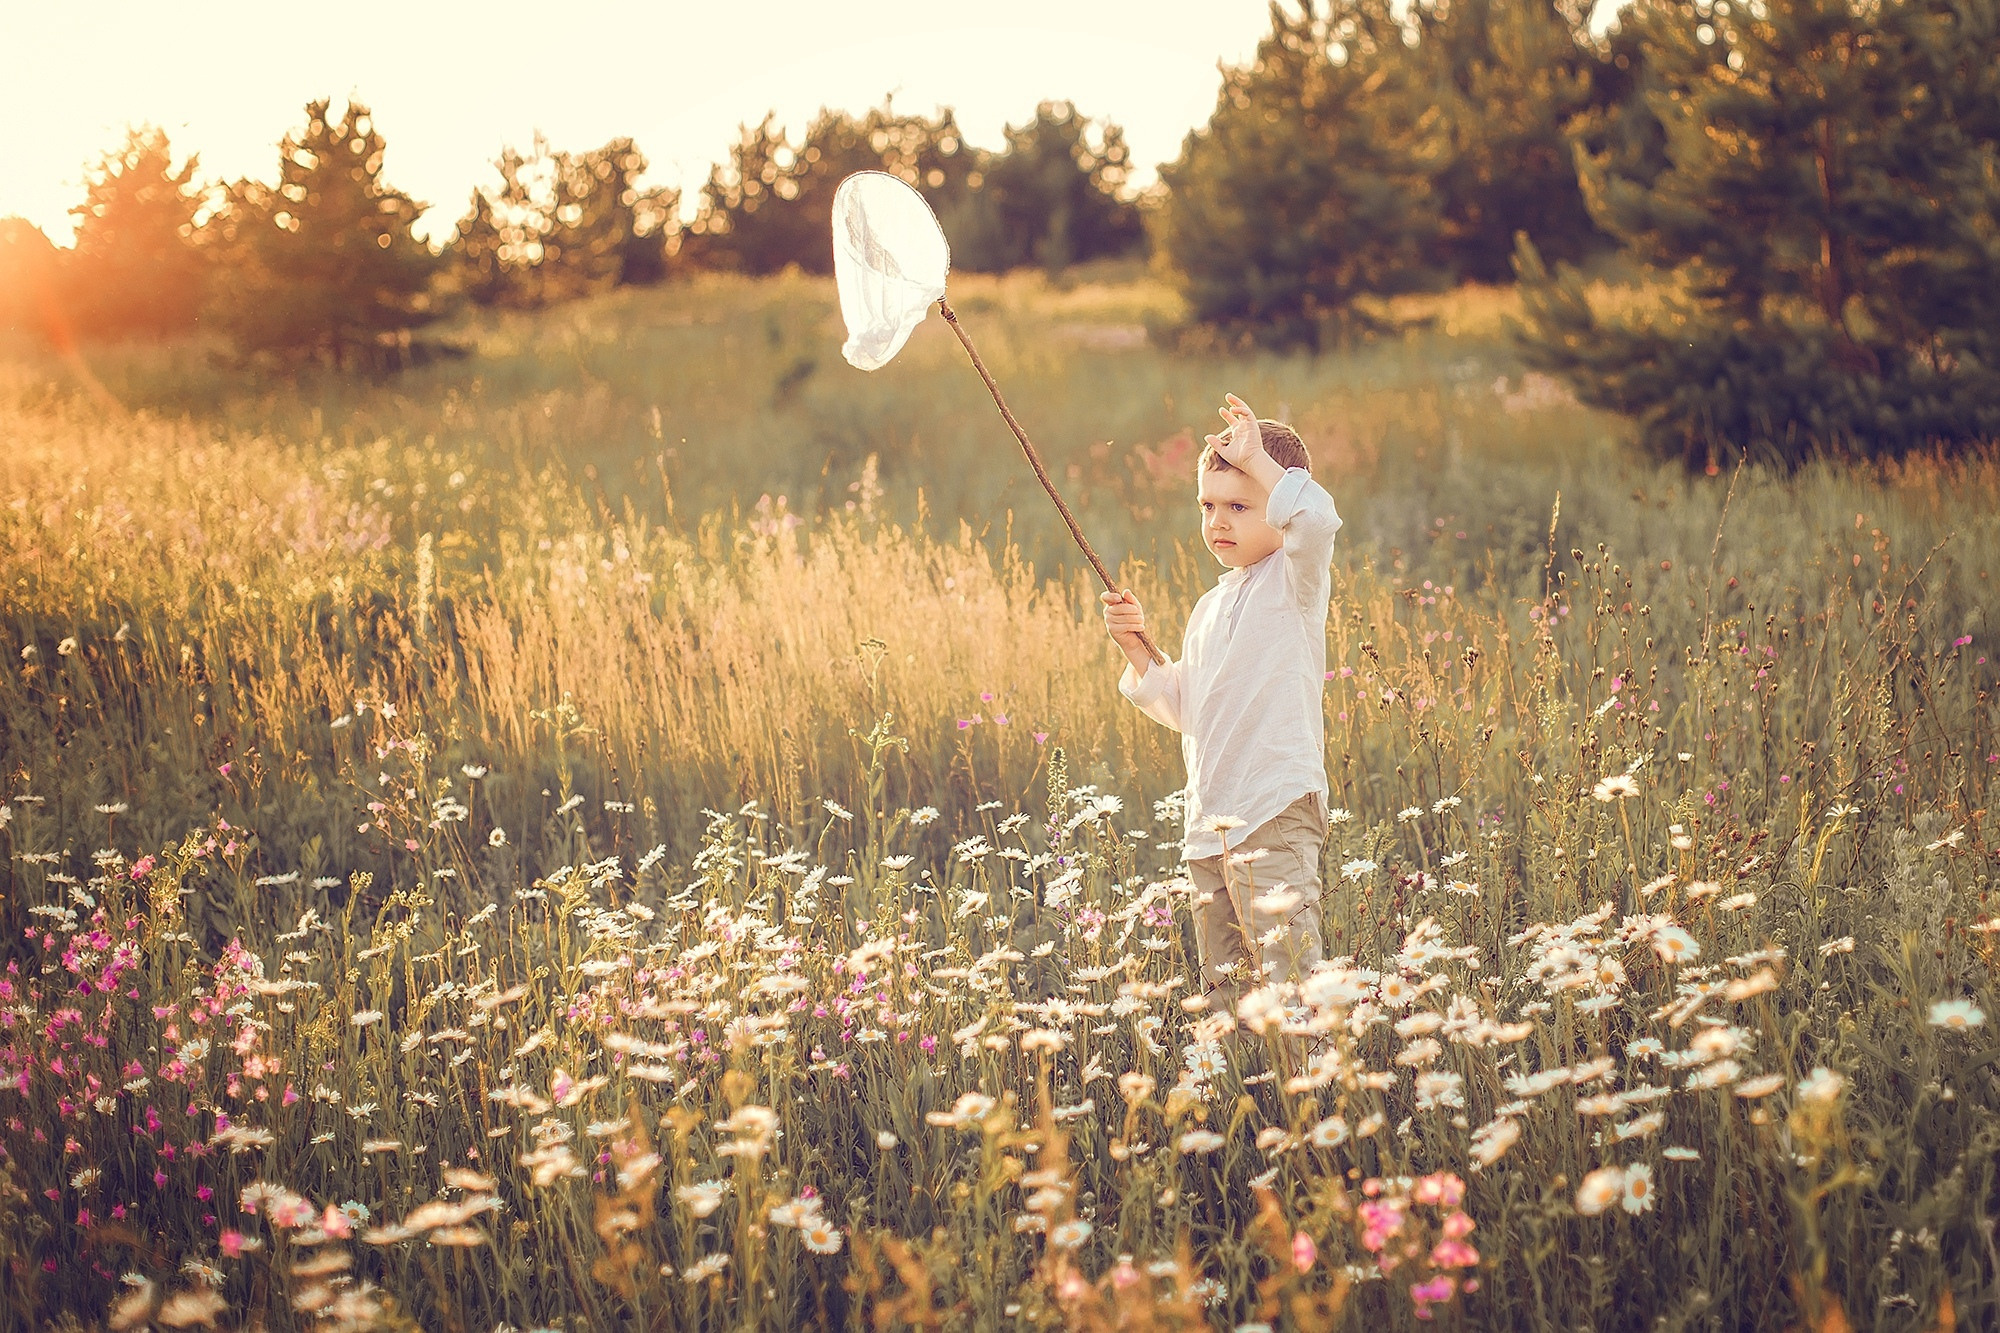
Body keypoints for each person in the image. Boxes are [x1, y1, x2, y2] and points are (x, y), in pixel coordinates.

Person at [1101, 393, 1341, 1028]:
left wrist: (1259, 458)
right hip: (1209, 828)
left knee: (1287, 986)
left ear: (1277, 503)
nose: (1219, 522)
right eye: (1208, 506)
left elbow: (1315, 519)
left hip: (1272, 811)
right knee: (1226, 998)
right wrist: (1137, 650)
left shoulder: (1295, 582)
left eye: (1240, 506)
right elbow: (1189, 711)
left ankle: (1308, 1110)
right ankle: (1249, 1110)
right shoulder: (1208, 608)